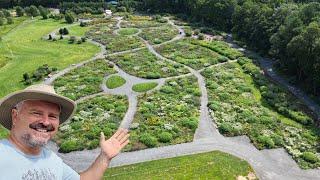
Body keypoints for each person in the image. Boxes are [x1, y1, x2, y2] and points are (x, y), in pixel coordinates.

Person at [0, 84, 130, 180]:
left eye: (52, 116)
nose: (45, 122)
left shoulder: (52, 159)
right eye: (37, 113)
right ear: (15, 116)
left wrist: (104, 157)